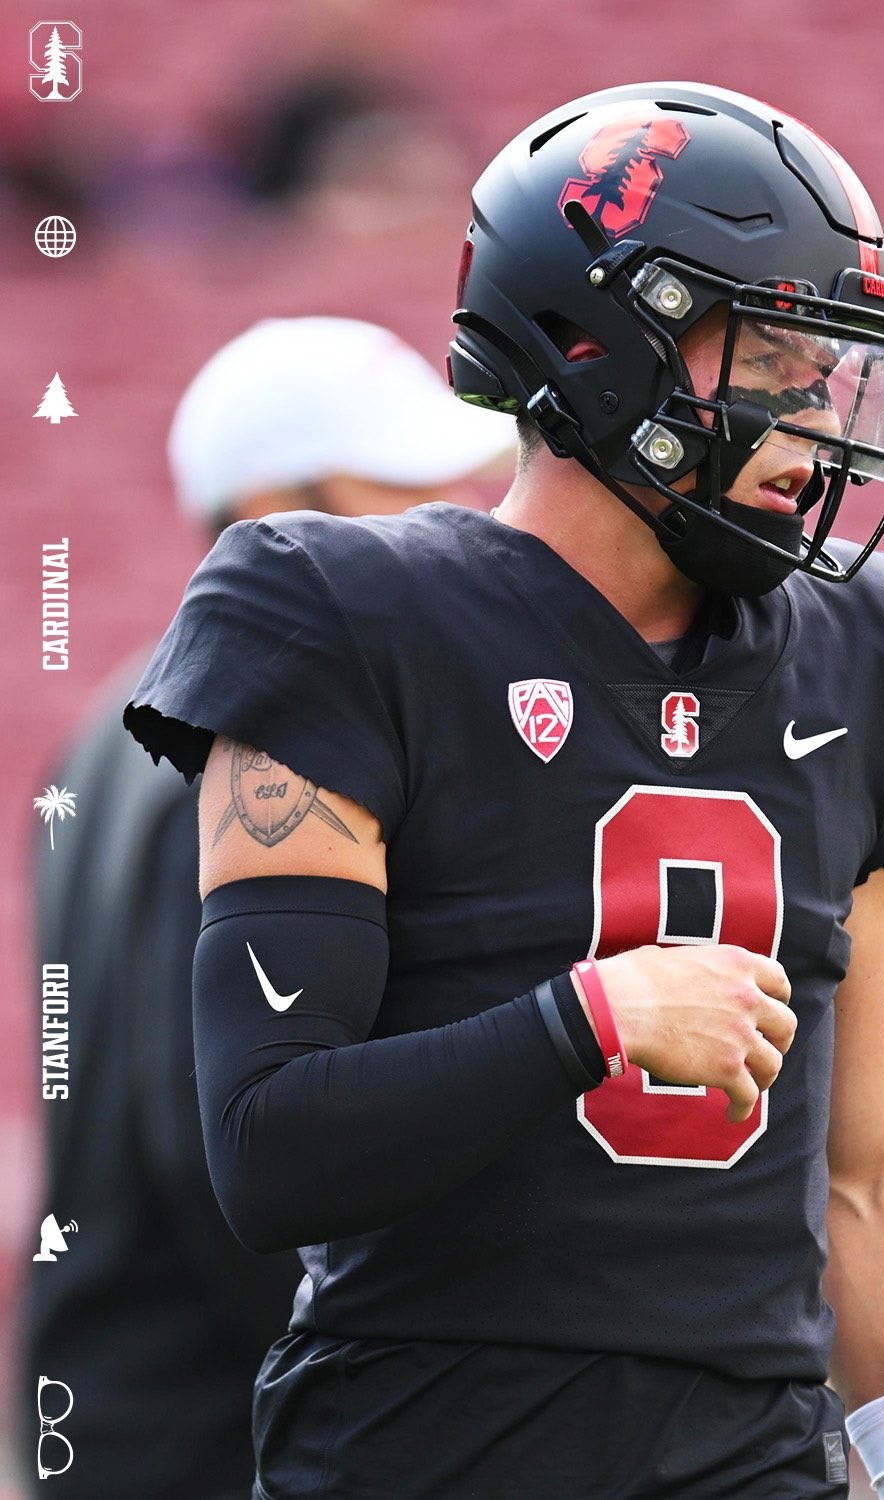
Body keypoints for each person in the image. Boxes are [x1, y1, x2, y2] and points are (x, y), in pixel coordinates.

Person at [123, 83, 884, 1500]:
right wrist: (586, 1020)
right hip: (425, 1457)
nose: (812, 424)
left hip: (754, 1464)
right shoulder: (335, 611)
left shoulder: (869, 646)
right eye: (770, 361)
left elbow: (872, 1173)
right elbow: (268, 1148)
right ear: (598, 351)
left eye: (827, 372)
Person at [20, 316, 515, 1500]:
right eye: (403, 484)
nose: (452, 516)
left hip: (126, 1404)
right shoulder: (252, 748)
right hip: (211, 1430)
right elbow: (214, 1139)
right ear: (269, 511)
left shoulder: (122, 723)